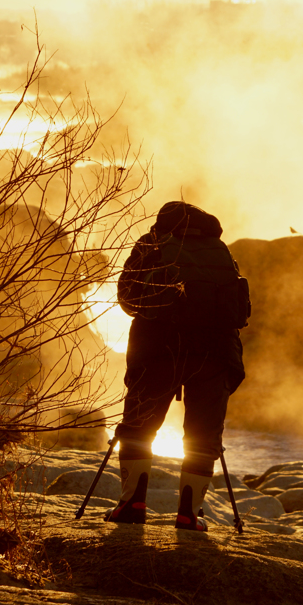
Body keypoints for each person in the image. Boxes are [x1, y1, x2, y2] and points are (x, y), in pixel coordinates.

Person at [106, 201, 247, 531]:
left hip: (159, 351)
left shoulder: (152, 244)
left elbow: (128, 298)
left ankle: (131, 505)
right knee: (202, 436)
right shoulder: (220, 249)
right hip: (215, 355)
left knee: (140, 426)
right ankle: (189, 514)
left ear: (163, 224)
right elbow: (237, 312)